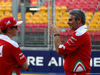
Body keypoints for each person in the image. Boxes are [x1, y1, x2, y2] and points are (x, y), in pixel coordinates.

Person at [49, 9, 91, 75]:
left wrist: (56, 34)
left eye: (70, 20)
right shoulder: (80, 33)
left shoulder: (81, 33)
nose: (68, 22)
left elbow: (60, 50)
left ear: (79, 20)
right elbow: (64, 53)